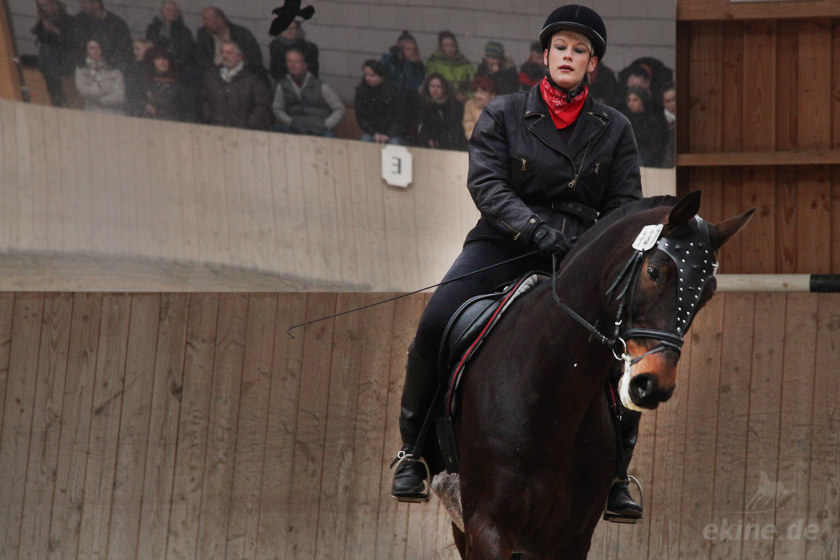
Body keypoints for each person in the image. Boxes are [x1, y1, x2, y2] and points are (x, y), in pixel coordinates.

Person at [390, 4, 645, 523]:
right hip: (505, 241)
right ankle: (412, 451)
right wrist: (533, 230)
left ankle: (618, 473)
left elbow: (624, 206)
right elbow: (486, 184)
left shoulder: (615, 128)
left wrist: (590, 246)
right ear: (545, 54)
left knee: (625, 347)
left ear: (592, 64)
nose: (568, 57)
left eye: (580, 50)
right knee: (437, 317)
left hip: (580, 255)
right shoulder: (503, 112)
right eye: (561, 48)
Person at [272, 47, 345, 137]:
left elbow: (340, 109)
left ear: (304, 65)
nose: (292, 65)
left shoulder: (321, 86)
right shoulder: (282, 86)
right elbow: (277, 108)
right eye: (289, 61)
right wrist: (290, 122)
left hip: (319, 131)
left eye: (296, 62)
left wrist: (326, 125)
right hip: (294, 129)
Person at [201, 39, 272, 129]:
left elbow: (262, 106)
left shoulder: (253, 80)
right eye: (223, 52)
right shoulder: (211, 76)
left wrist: (249, 125)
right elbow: (204, 100)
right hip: (215, 129)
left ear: (240, 56)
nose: (225, 56)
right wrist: (209, 118)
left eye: (229, 53)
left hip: (243, 131)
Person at [196, 6, 268, 85]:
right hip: (214, 79)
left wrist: (234, 72)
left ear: (219, 20)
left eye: (207, 19)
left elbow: (254, 59)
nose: (204, 23)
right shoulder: (203, 35)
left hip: (240, 77)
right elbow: (201, 60)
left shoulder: (242, 34)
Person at [380, 30, 425, 143]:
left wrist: (410, 64)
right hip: (392, 98)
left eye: (414, 49)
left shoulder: (418, 65)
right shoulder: (390, 61)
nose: (412, 52)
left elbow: (413, 84)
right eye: (408, 49)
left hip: (409, 101)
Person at [31, 0, 76, 106]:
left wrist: (54, 30)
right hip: (49, 64)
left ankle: (56, 93)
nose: (44, 9)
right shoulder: (43, 22)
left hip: (65, 59)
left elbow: (71, 42)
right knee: (45, 49)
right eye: (41, 6)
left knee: (46, 49)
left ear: (55, 3)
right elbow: (40, 35)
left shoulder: (68, 20)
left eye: (46, 5)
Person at [354, 60, 407, 144]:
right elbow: (361, 118)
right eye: (366, 75)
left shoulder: (394, 92)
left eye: (372, 75)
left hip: (393, 134)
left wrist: (389, 134)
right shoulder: (361, 92)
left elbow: (400, 118)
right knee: (365, 140)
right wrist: (374, 133)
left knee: (395, 143)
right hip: (372, 132)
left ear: (381, 77)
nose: (367, 78)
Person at [73, 0, 133, 70]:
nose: (81, 5)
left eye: (84, 2)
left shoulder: (116, 23)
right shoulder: (79, 20)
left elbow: (124, 49)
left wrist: (107, 63)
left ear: (96, 3)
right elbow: (75, 45)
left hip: (111, 68)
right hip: (86, 68)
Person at [141, 46, 195, 122]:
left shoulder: (178, 85)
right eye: (158, 59)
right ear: (151, 61)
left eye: (165, 59)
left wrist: (157, 112)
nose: (163, 62)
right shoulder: (146, 83)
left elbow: (188, 112)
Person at [415, 73, 466, 150]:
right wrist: (429, 139)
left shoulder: (454, 105)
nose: (434, 90)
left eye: (438, 87)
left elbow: (456, 128)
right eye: (432, 86)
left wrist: (441, 141)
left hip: (449, 146)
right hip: (427, 145)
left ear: (444, 88)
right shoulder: (422, 104)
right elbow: (421, 125)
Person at [145, 1, 197, 75]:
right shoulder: (152, 28)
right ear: (161, 11)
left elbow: (186, 53)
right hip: (156, 62)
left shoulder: (184, 31)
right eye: (169, 10)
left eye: (175, 10)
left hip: (177, 65)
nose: (172, 12)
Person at [74, 38, 125, 113]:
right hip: (91, 111)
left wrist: (100, 100)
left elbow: (120, 97)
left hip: (113, 112)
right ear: (86, 50)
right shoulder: (81, 70)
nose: (95, 51)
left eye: (98, 48)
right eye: (91, 48)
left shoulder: (115, 72)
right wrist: (105, 91)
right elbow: (83, 91)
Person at [622, 87, 669, 167]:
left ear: (642, 100)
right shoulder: (625, 120)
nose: (631, 103)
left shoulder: (653, 120)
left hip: (649, 162)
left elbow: (656, 145)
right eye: (629, 100)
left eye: (635, 100)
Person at [425, 31, 474, 104]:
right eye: (445, 45)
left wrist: (465, 95)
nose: (449, 49)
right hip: (441, 102)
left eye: (452, 45)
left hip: (461, 102)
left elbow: (473, 84)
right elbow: (430, 84)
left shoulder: (465, 63)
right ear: (441, 47)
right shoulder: (434, 62)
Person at [661, 82, 676, 167]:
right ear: (664, 103)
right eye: (668, 101)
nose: (672, 104)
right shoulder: (661, 122)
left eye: (674, 99)